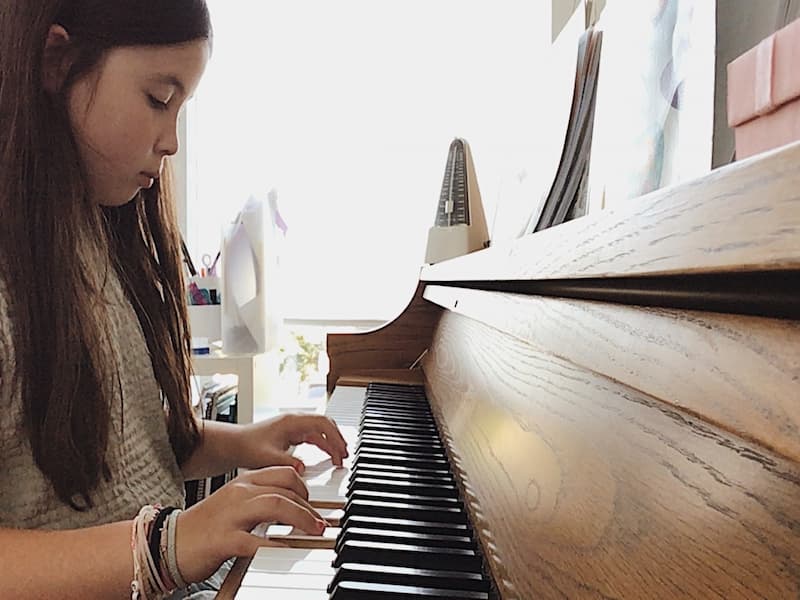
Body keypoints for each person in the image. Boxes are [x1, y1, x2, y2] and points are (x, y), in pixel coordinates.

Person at [0, 2, 348, 598]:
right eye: (160, 99)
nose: (172, 142)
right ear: (57, 62)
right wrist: (167, 545)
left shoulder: (94, 239)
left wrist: (235, 443)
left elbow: (99, 437)